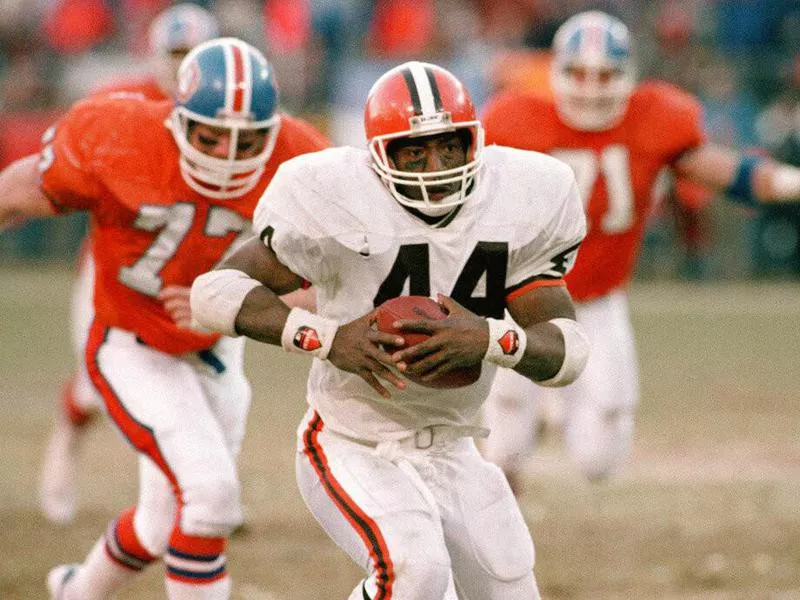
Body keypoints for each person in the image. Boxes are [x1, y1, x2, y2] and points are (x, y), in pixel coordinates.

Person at [191, 60, 590, 600]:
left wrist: (491, 339)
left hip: (454, 445)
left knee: (510, 585)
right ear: (380, 155)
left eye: (449, 147)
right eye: (415, 151)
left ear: (474, 141)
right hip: (352, 439)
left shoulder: (519, 197)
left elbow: (568, 353)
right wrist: (329, 339)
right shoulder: (334, 194)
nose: (436, 166)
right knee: (415, 572)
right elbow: (212, 294)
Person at [0, 37, 330, 599]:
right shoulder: (119, 134)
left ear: (274, 130)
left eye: (246, 140)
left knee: (161, 521)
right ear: (179, 122)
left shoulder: (301, 160)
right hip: (130, 339)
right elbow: (13, 193)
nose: (227, 155)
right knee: (211, 496)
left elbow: (341, 286)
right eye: (210, 136)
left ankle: (75, 593)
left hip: (218, 347)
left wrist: (234, 302)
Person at [480, 10, 800, 487]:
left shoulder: (655, 119)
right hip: (519, 296)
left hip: (599, 297)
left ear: (629, 73)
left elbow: (729, 174)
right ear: (557, 73)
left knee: (598, 459)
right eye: (580, 74)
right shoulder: (513, 119)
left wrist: (791, 181)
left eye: (606, 74)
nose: (591, 88)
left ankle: (557, 403)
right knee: (503, 449)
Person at [37, 1, 221, 526]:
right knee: (102, 383)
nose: (186, 64)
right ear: (155, 55)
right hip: (120, 267)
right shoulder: (121, 104)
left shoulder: (234, 110)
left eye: (196, 53)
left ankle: (201, 489)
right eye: (176, 52)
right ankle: (68, 436)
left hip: (195, 267)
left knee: (208, 374)